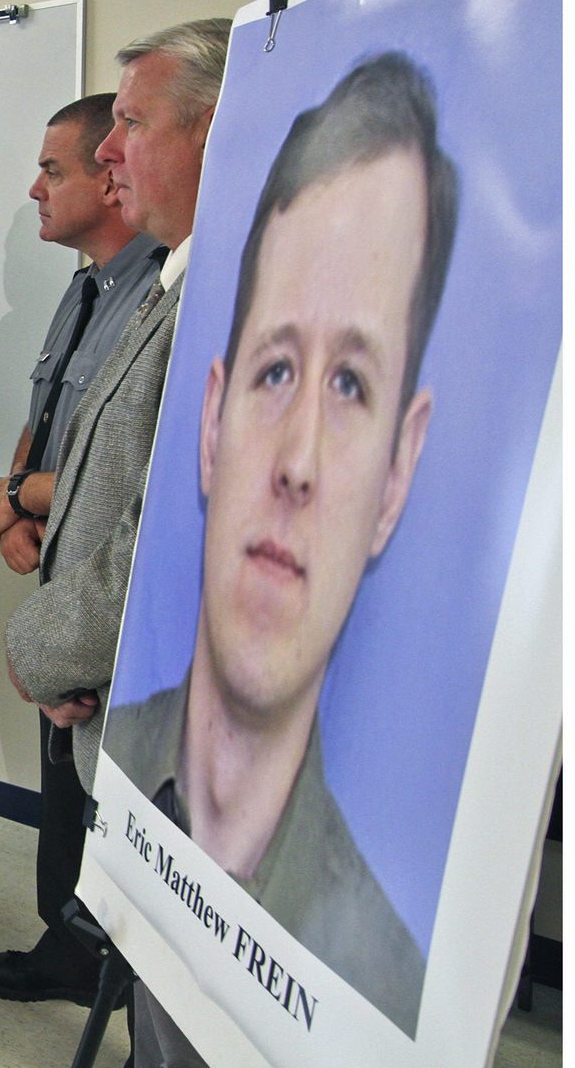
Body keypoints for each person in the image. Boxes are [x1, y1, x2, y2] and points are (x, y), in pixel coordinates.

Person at [103, 51, 456, 1042]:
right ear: (209, 419)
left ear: (397, 477)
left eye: (351, 385)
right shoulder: (133, 765)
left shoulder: (385, 980)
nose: (297, 465)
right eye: (274, 370)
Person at [0, 18, 228, 1067]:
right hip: (112, 693)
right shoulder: (167, 284)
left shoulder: (220, 300)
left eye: (129, 124)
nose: (104, 153)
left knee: (185, 1016)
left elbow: (167, 534)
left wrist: (55, 650)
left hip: (163, 728)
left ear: (218, 130)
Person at [0, 93, 165, 1007]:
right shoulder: (84, 286)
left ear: (111, 178)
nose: (36, 189)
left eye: (55, 170)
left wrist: (17, 495)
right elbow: (50, 418)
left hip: (110, 587)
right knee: (61, 788)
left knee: (102, 792)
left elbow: (128, 474)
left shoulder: (160, 291)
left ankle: (104, 960)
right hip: (57, 572)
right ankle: (68, 941)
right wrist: (15, 506)